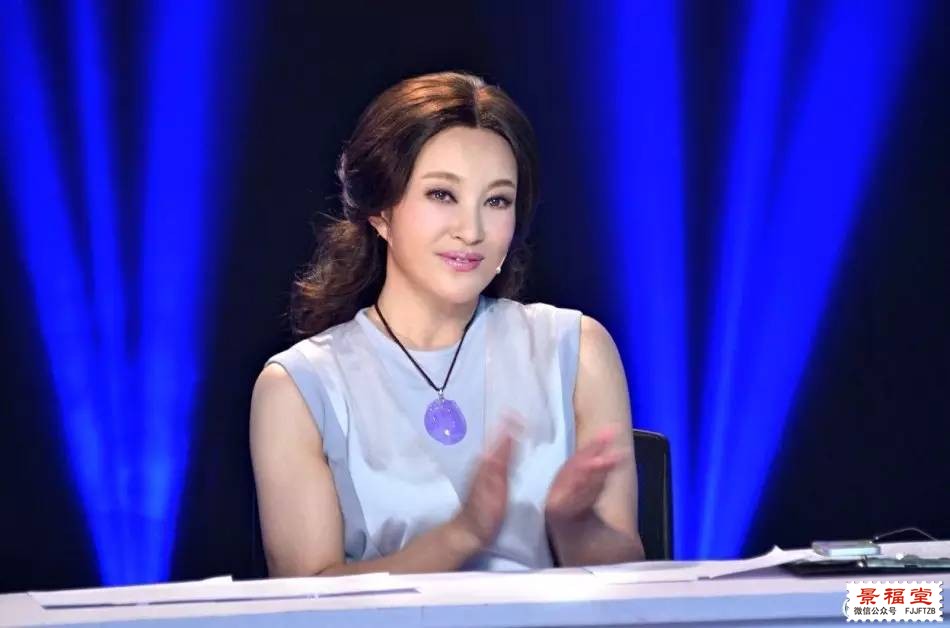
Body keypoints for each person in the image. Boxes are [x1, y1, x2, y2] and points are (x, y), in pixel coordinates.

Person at [250, 71, 645, 577]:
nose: (472, 230)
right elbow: (308, 597)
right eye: (442, 195)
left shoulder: (577, 349)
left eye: (497, 201)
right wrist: (462, 535)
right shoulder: (299, 387)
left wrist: (574, 523)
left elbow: (628, 581)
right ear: (380, 211)